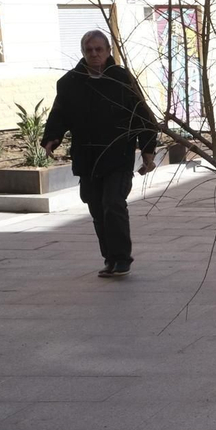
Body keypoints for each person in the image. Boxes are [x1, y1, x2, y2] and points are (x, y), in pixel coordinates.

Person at [42, 30, 159, 277]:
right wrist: (52, 138)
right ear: (83, 53)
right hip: (87, 157)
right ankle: (110, 258)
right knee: (96, 206)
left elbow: (142, 115)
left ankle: (122, 258)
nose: (94, 54)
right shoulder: (69, 83)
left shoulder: (121, 79)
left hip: (118, 155)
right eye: (89, 50)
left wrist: (148, 149)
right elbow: (59, 114)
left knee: (113, 203)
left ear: (108, 52)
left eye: (99, 49)